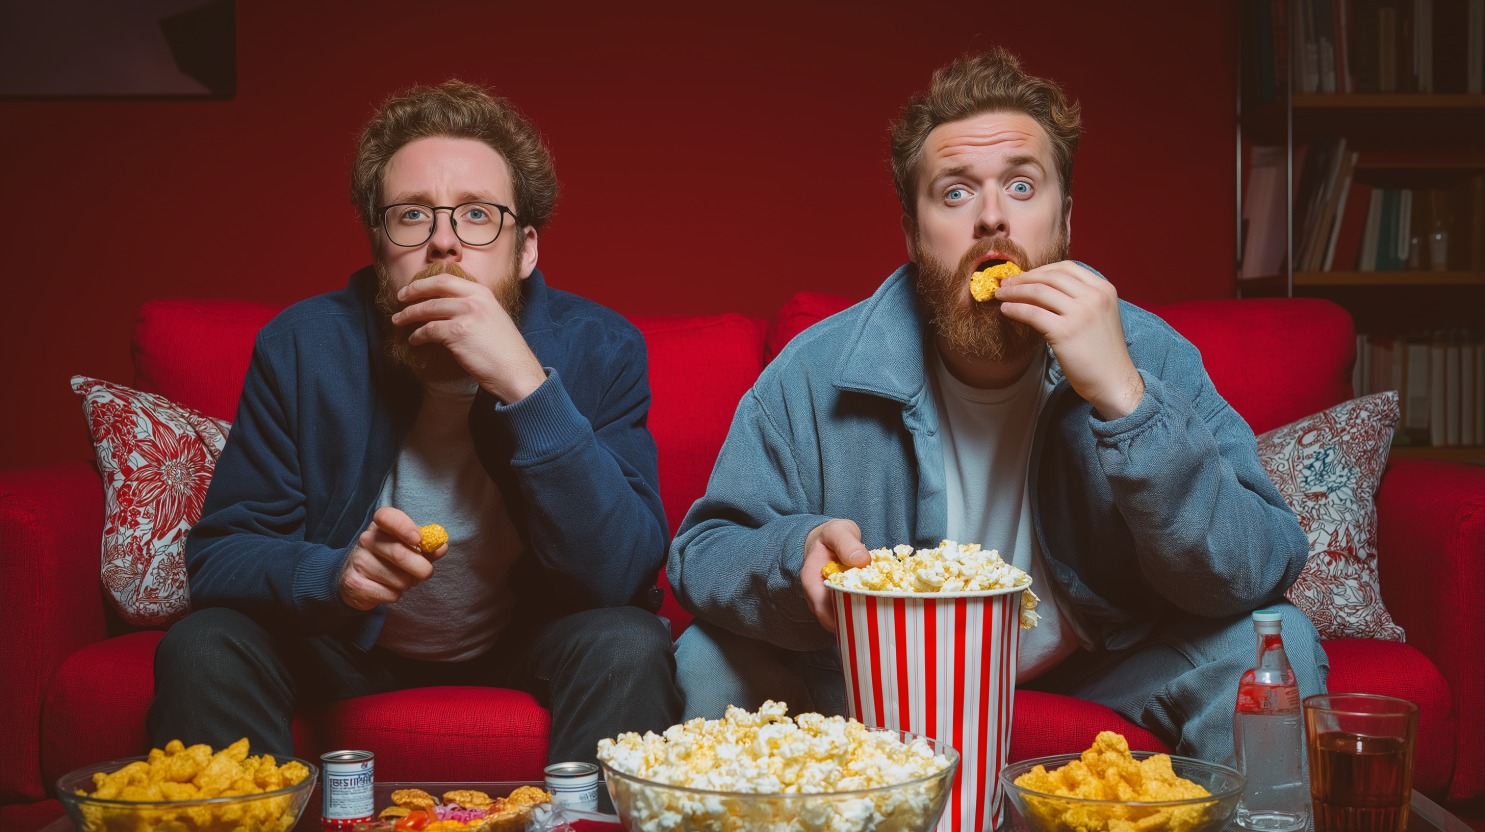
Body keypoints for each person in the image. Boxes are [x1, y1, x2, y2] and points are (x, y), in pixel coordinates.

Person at [665, 48, 1325, 761]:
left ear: (1064, 218)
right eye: (953, 193)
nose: (990, 219)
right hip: (874, 679)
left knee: (1275, 638)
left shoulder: (1147, 354)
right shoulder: (815, 371)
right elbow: (703, 553)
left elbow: (1256, 568)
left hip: (1100, 668)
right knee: (706, 654)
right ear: (913, 236)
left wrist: (1127, 405)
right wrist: (792, 558)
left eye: (1020, 185)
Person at [148, 80, 680, 766]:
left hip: (529, 641)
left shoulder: (600, 346)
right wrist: (334, 576)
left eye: (478, 215)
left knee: (628, 642)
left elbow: (620, 577)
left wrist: (525, 386)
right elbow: (220, 557)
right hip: (343, 649)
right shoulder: (304, 346)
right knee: (204, 641)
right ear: (380, 250)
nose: (444, 244)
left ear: (524, 250)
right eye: (411, 217)